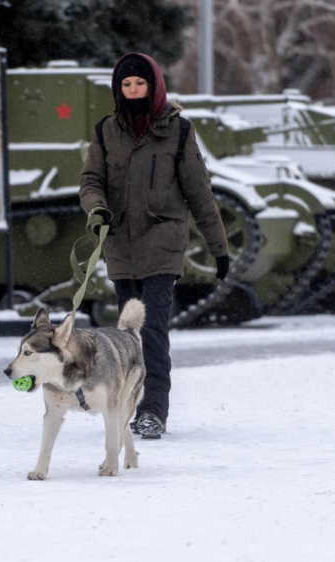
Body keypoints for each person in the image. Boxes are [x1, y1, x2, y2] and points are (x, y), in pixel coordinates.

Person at [78, 53, 230, 440]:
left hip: (163, 242)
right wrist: (97, 208)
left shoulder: (178, 131)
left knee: (152, 329)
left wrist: (219, 248)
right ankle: (124, 401)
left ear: (153, 86)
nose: (132, 92)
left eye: (139, 85)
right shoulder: (105, 131)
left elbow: (199, 193)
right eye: (126, 86)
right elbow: (91, 179)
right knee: (127, 334)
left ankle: (152, 411)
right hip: (120, 246)